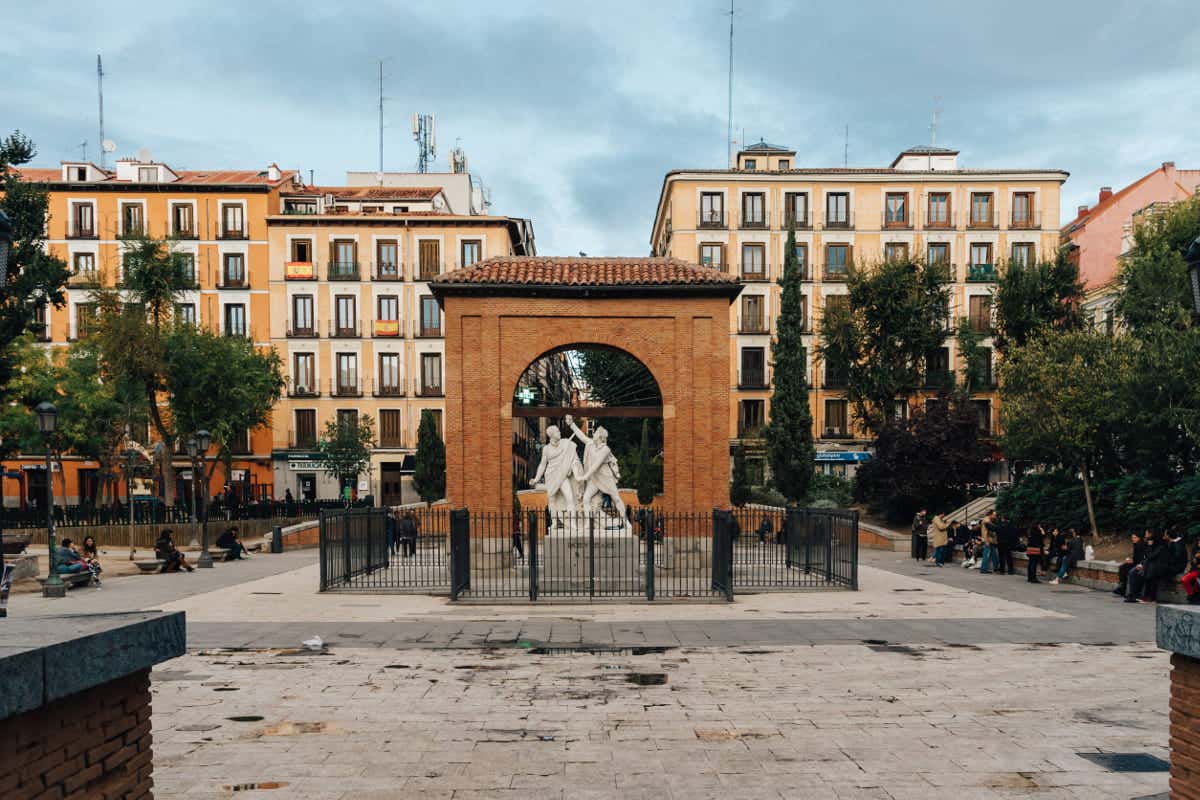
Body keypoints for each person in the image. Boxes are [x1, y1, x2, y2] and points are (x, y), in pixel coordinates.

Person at [1126, 529, 1165, 603]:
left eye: (1150, 541)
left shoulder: (1159, 547)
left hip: (1155, 568)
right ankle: (1133, 594)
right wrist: (1141, 564)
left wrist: (1142, 564)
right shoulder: (1148, 546)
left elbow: (1150, 556)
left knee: (1137, 573)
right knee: (1133, 571)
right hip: (1148, 566)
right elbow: (1146, 557)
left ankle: (1138, 595)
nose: (1148, 542)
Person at [1113, 532, 1145, 597]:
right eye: (1132, 537)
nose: (1133, 539)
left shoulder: (1141, 545)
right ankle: (1122, 586)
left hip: (1140, 564)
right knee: (1122, 567)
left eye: (1135, 537)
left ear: (1139, 538)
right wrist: (1130, 560)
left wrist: (1132, 561)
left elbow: (1141, 558)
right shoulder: (1136, 544)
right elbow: (1135, 557)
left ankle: (1127, 590)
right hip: (1135, 563)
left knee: (1128, 570)